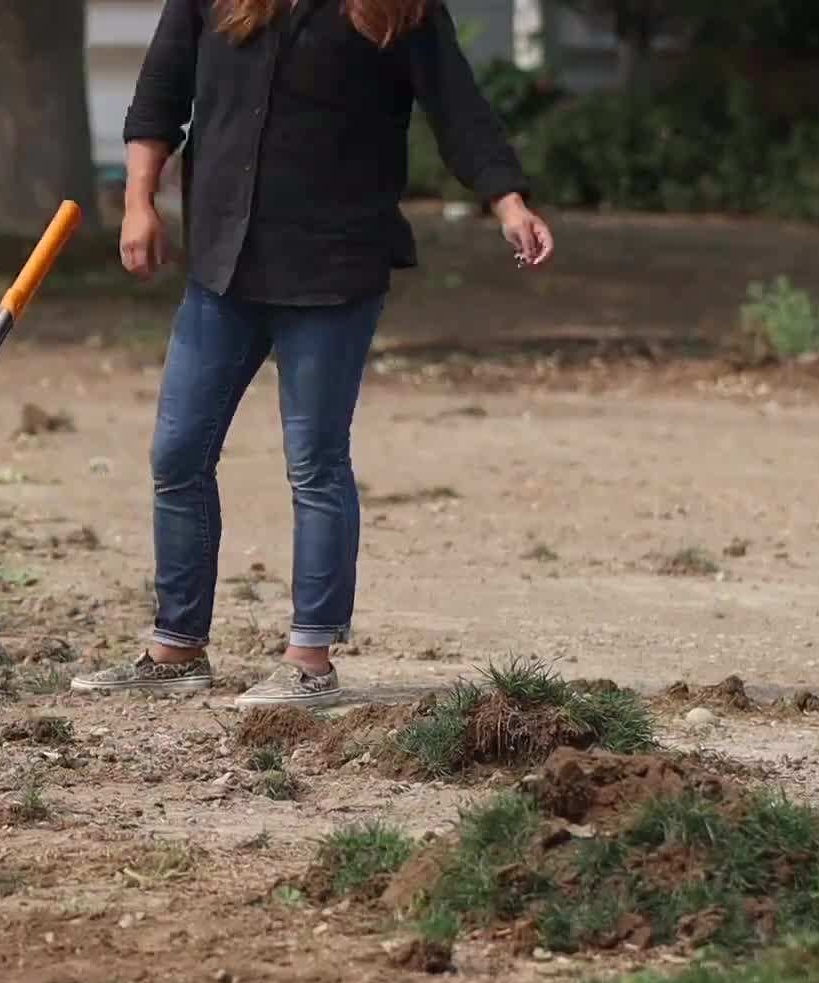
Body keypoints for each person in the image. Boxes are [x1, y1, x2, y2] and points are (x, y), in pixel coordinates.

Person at [72, 0, 554, 707]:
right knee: (177, 455)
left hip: (334, 268)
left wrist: (509, 203)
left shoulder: (399, 8)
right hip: (223, 266)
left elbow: (458, 108)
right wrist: (140, 202)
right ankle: (177, 648)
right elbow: (159, 97)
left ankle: (310, 660)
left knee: (316, 463)